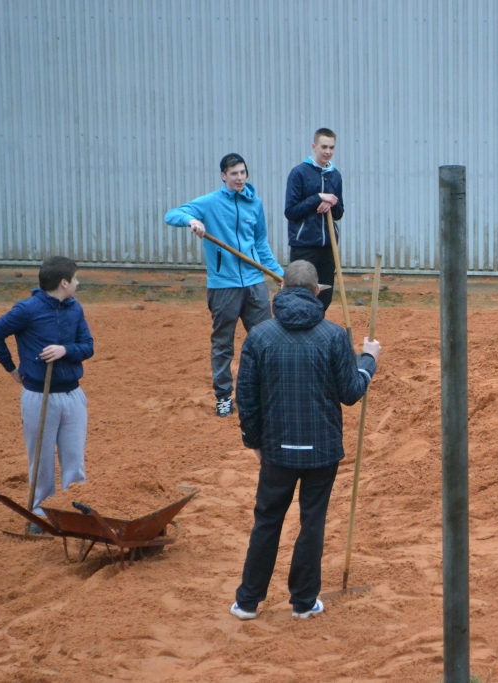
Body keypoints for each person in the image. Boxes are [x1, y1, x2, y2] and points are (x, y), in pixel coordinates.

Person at [230, 260, 380, 620]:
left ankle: (247, 602)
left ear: (281, 289)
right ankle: (303, 601)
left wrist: (254, 442)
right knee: (312, 522)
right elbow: (351, 392)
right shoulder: (333, 336)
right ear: (316, 292)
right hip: (321, 451)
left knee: (267, 521)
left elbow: (245, 398)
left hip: (276, 449)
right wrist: (368, 361)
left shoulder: (259, 336)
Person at [165, 153, 284, 418]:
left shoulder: (255, 204)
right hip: (223, 287)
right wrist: (191, 220)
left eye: (242, 173)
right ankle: (223, 397)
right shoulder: (210, 203)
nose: (239, 178)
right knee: (223, 344)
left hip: (255, 283)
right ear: (223, 176)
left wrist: (278, 274)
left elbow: (260, 244)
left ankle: (264, 393)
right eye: (233, 174)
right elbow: (172, 214)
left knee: (266, 340)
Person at [0, 256, 94, 529]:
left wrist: (65, 350)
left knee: (74, 460)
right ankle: (41, 514)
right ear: (64, 283)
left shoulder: (75, 308)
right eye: (75, 279)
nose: (78, 283)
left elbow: (88, 346)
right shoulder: (27, 309)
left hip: (72, 395)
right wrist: (11, 369)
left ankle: (73, 513)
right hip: (38, 396)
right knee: (41, 460)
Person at [284, 128, 344, 311]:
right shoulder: (299, 173)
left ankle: (318, 326)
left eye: (331, 147)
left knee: (324, 296)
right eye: (324, 147)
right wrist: (318, 197)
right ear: (314, 147)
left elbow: (339, 214)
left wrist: (331, 202)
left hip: (328, 247)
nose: (328, 151)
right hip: (304, 246)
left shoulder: (335, 175)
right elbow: (291, 211)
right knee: (301, 295)